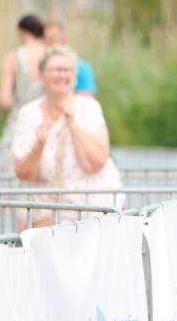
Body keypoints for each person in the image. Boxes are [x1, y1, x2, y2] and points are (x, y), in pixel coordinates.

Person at [10, 45, 122, 227]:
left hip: (93, 203)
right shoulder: (28, 114)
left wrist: (73, 125)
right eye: (55, 70)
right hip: (47, 204)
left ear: (74, 76)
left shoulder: (89, 107)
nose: (61, 75)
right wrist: (39, 143)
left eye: (66, 70)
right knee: (38, 234)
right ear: (42, 76)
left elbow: (96, 162)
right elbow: (23, 172)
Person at [0, 14, 46, 144]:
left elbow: (4, 100)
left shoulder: (13, 57)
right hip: (47, 126)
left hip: (19, 126)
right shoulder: (53, 55)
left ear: (22, 32)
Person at [43, 20, 96, 97]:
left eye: (52, 38)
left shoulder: (81, 67)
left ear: (64, 38)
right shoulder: (42, 67)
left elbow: (85, 98)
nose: (48, 43)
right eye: (45, 39)